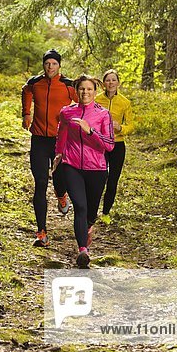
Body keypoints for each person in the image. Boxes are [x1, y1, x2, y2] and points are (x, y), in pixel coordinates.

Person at [53, 75, 114, 268]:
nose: (85, 92)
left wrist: (90, 132)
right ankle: (82, 251)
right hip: (72, 166)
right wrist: (59, 153)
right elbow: (62, 132)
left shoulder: (103, 114)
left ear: (95, 92)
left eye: (89, 89)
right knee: (80, 206)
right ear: (76, 91)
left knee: (90, 213)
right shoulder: (67, 112)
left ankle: (88, 226)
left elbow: (110, 145)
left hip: (96, 168)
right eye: (81, 89)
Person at [21, 49, 77, 247]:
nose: (50, 67)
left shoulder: (68, 86)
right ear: (43, 65)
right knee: (40, 183)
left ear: (59, 65)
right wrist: (26, 113)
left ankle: (62, 196)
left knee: (59, 180)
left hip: (60, 141)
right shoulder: (35, 82)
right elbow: (25, 91)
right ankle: (41, 232)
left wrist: (78, 124)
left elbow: (83, 104)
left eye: (54, 63)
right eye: (47, 63)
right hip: (39, 140)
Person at [95, 69, 134, 217]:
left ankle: (105, 213)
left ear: (118, 83)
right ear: (104, 83)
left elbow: (131, 125)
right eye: (107, 80)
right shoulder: (97, 100)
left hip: (117, 145)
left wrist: (121, 128)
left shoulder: (125, 102)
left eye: (113, 80)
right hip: (100, 144)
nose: (110, 83)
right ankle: (92, 211)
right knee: (99, 178)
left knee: (112, 181)